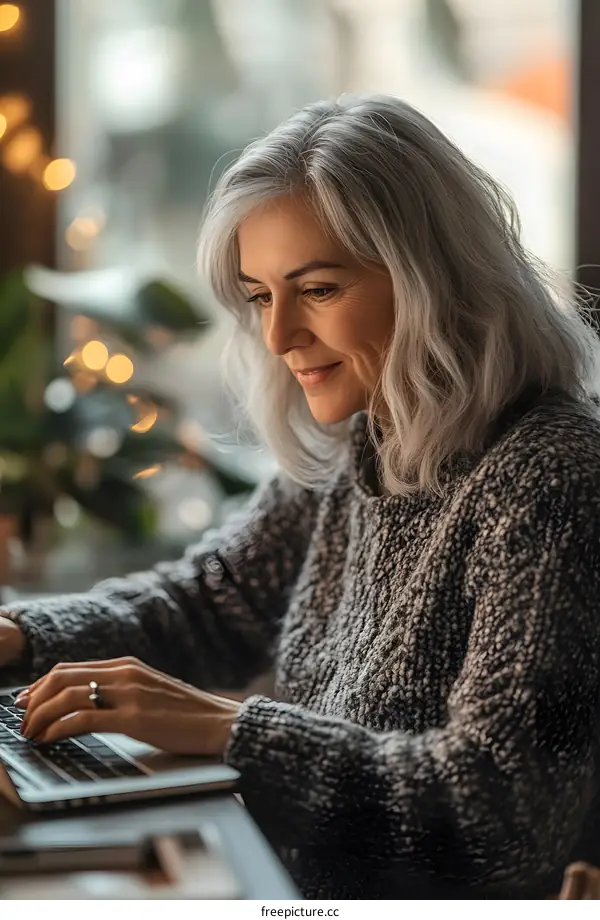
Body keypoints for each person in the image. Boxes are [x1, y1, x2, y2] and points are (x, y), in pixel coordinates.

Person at [1, 92, 600, 900]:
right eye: (259, 296)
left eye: (316, 289)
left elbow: (493, 811)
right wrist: (16, 636)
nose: (279, 336)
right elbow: (212, 603)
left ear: (433, 277)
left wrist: (230, 730)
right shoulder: (369, 436)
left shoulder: (552, 476)